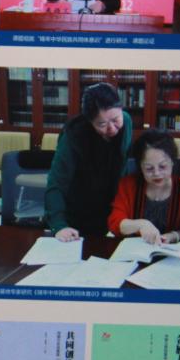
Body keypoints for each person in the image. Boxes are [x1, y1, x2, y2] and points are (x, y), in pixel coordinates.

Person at [45, 82, 133, 241]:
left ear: (121, 109)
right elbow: (56, 183)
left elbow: (122, 165)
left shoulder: (126, 122)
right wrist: (59, 225)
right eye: (102, 124)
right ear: (89, 121)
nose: (112, 128)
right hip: (78, 208)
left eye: (115, 119)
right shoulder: (74, 135)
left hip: (108, 206)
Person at [107, 129, 180, 244]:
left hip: (169, 251)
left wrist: (173, 236)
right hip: (133, 250)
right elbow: (115, 222)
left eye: (162, 166)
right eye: (149, 168)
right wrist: (141, 224)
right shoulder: (128, 186)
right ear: (140, 166)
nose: (157, 173)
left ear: (172, 162)